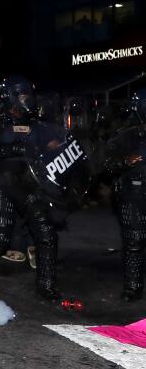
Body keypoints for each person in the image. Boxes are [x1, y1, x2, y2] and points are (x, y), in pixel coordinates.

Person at [0, 76, 64, 301]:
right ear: (12, 97)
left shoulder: (36, 123)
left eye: (29, 95)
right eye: (23, 95)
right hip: (1, 183)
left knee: (46, 232)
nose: (28, 100)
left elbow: (53, 147)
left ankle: (46, 286)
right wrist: (13, 148)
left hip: (29, 183)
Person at [102, 90, 146, 301]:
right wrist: (124, 162)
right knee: (134, 241)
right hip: (133, 194)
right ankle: (133, 286)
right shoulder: (126, 135)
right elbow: (107, 165)